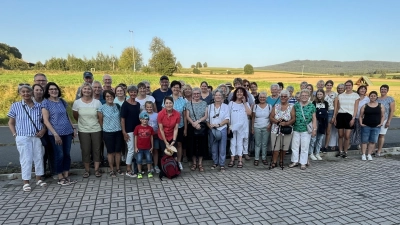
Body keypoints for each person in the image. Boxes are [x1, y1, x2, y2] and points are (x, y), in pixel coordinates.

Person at [8, 85, 47, 191]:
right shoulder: (15, 106)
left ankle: (39, 178)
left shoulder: (39, 106)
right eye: (23, 92)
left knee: (38, 157)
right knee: (26, 159)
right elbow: (11, 123)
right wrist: (15, 134)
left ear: (32, 93)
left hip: (36, 136)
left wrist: (43, 130)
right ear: (20, 93)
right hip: (23, 136)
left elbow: (45, 121)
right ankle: (26, 181)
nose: (26, 94)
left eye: (28, 92)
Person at [42, 82, 76, 185]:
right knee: (59, 154)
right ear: (48, 91)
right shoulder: (45, 103)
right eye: (51, 89)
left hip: (67, 132)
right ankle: (60, 176)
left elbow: (67, 116)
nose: (54, 91)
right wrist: (55, 134)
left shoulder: (62, 101)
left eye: (55, 89)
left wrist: (73, 128)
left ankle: (66, 175)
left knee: (67, 154)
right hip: (55, 134)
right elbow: (46, 121)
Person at [72, 83, 103, 178]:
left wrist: (101, 127)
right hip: (83, 130)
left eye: (89, 89)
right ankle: (87, 170)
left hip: (96, 129)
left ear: (92, 91)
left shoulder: (97, 102)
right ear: (81, 90)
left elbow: (100, 117)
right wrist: (83, 124)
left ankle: (97, 170)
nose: (87, 91)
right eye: (85, 89)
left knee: (97, 150)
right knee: (85, 150)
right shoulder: (77, 103)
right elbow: (75, 116)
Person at [98, 90, 123, 177]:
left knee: (118, 151)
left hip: (118, 131)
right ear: (105, 98)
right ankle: (112, 170)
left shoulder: (118, 106)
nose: (110, 98)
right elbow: (100, 121)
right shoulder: (101, 108)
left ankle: (118, 168)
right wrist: (105, 128)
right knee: (110, 152)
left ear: (114, 97)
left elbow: (121, 119)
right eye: (107, 96)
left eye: (111, 96)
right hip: (108, 132)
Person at [289, 89, 317, 170]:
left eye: (306, 95)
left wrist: (314, 129)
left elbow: (314, 118)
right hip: (296, 128)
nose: (304, 97)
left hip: (306, 130)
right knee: (295, 146)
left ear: (308, 96)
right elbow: (293, 116)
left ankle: (303, 162)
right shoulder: (296, 105)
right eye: (302, 95)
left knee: (305, 147)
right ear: (300, 97)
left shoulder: (312, 106)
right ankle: (294, 161)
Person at [333, 80, 359, 158]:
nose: (348, 87)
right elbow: (336, 108)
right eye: (346, 85)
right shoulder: (340, 96)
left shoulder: (355, 96)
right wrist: (335, 117)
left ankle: (345, 151)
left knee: (347, 136)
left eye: (349, 85)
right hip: (340, 115)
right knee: (340, 135)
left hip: (349, 116)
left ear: (352, 86)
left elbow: (356, 108)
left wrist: (353, 118)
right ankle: (340, 151)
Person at [269, 90, 295, 168]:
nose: (283, 98)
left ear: (288, 97)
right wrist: (277, 121)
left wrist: (286, 123)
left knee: (284, 147)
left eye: (285, 96)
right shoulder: (276, 106)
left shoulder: (291, 107)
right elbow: (271, 117)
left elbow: (293, 118)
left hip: (286, 130)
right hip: (276, 129)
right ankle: (274, 161)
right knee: (275, 147)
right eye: (282, 96)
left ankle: (281, 160)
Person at [164, 81, 187, 170]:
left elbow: (184, 116)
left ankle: (179, 162)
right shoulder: (167, 98)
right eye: (174, 87)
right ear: (171, 88)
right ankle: (170, 162)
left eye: (177, 87)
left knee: (179, 144)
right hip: (169, 127)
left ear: (180, 89)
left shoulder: (183, 100)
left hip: (180, 126)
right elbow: (163, 113)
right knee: (169, 145)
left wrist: (185, 128)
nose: (176, 89)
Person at [227, 87, 252, 168]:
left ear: (244, 94)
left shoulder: (246, 104)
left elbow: (249, 113)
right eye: (238, 92)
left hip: (242, 128)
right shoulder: (231, 103)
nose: (239, 93)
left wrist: (244, 103)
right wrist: (229, 127)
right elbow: (228, 116)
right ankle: (232, 159)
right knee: (233, 143)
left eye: (241, 92)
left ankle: (240, 160)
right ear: (235, 93)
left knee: (240, 143)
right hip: (233, 127)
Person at [186, 87, 209, 172]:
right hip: (192, 126)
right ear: (192, 94)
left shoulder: (204, 103)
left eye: (198, 93)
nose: (196, 95)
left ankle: (200, 163)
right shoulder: (188, 103)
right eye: (194, 93)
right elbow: (187, 116)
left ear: (200, 94)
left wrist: (198, 122)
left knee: (201, 145)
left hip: (201, 126)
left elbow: (206, 115)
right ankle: (194, 163)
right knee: (192, 145)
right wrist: (193, 123)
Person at [206, 89, 229, 172]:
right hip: (212, 129)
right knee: (213, 147)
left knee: (222, 147)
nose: (218, 96)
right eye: (216, 95)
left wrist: (219, 125)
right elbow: (207, 120)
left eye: (220, 95)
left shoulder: (226, 106)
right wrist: (211, 127)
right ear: (214, 97)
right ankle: (215, 162)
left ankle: (222, 164)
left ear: (222, 97)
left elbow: (227, 119)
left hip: (222, 128)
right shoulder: (209, 107)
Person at [121, 85, 141, 177]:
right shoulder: (125, 104)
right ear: (128, 93)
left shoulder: (138, 104)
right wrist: (124, 132)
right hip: (129, 131)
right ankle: (128, 170)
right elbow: (122, 119)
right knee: (131, 150)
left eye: (135, 92)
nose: (133, 93)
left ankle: (136, 169)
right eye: (131, 92)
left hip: (137, 130)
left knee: (137, 150)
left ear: (137, 93)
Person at [359, 91, 385, 161]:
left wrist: (381, 123)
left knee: (372, 141)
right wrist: (361, 123)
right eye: (371, 96)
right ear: (369, 97)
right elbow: (361, 116)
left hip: (376, 126)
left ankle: (369, 154)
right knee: (364, 141)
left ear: (376, 97)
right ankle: (363, 154)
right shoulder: (365, 106)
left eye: (374, 96)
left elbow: (383, 116)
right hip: (366, 126)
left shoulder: (380, 105)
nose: (373, 97)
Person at [252, 92, 271, 166]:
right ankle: (256, 158)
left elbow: (271, 117)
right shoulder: (255, 106)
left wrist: (270, 124)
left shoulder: (269, 106)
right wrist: (252, 128)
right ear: (258, 98)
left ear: (266, 98)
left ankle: (264, 158)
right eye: (261, 97)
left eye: (264, 97)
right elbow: (253, 117)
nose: (262, 99)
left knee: (264, 143)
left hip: (266, 127)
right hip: (257, 126)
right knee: (257, 143)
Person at [158, 96, 180, 162]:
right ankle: (165, 169)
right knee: (165, 154)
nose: (168, 105)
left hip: (172, 136)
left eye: (170, 103)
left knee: (174, 154)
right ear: (164, 104)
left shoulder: (177, 114)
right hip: (162, 137)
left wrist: (174, 140)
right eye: (166, 103)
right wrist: (166, 142)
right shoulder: (160, 114)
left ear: (173, 104)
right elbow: (161, 129)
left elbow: (176, 129)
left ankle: (174, 169)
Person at [308, 89, 329, 160]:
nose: (319, 96)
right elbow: (314, 113)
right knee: (313, 138)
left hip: (323, 122)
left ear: (323, 95)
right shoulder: (313, 103)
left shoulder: (326, 103)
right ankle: (311, 153)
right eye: (318, 94)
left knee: (320, 138)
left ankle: (317, 153)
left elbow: (325, 112)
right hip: (315, 121)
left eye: (321, 94)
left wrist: (320, 112)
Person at [376, 84, 395, 156]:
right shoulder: (377, 98)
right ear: (380, 90)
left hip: (384, 120)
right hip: (376, 120)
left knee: (381, 135)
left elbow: (391, 111)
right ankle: (372, 149)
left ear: (387, 90)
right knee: (375, 135)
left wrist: (388, 121)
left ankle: (379, 150)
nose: (383, 90)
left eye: (385, 89)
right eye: (382, 89)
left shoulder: (390, 99)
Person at [134, 112, 154, 179]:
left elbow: (151, 137)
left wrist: (152, 146)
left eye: (146, 119)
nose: (144, 121)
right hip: (139, 147)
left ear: (148, 120)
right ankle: (139, 172)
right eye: (143, 119)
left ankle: (149, 171)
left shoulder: (150, 128)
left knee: (149, 159)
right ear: (140, 120)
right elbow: (136, 137)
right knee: (139, 160)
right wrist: (135, 147)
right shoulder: (137, 127)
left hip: (148, 147)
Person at [145, 101, 160, 173]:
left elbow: (159, 125)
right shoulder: (143, 114)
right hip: (146, 137)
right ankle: (149, 166)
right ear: (145, 108)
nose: (149, 108)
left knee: (155, 150)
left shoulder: (157, 115)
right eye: (147, 107)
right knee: (148, 151)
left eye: (150, 107)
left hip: (155, 135)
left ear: (153, 107)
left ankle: (156, 165)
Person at [323, 80, 338, 153]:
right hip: (322, 112)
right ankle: (319, 146)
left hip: (330, 112)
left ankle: (326, 146)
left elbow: (335, 106)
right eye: (327, 85)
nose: (329, 86)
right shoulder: (322, 93)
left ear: (332, 86)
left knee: (328, 131)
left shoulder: (335, 94)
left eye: (330, 85)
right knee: (321, 130)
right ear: (325, 86)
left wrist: (334, 116)